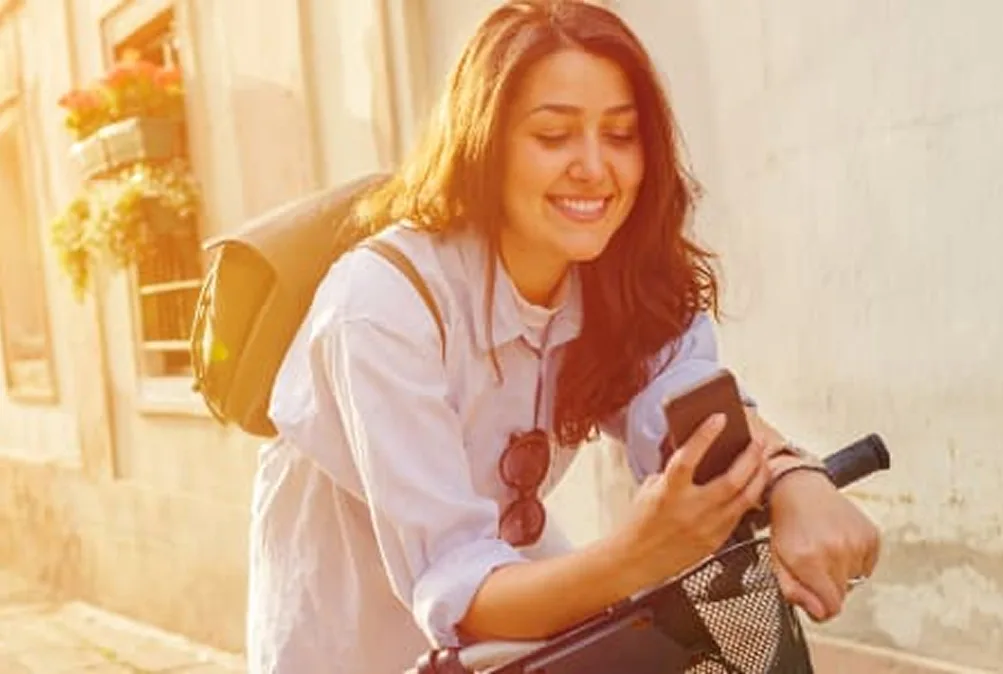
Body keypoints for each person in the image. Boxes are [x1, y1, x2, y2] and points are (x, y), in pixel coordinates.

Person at [245, 1, 881, 672]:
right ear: (483, 142)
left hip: (519, 597)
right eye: (553, 137)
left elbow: (689, 405)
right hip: (348, 629)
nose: (594, 167)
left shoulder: (614, 272)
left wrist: (793, 479)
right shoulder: (381, 307)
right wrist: (634, 557)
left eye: (620, 134)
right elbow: (455, 585)